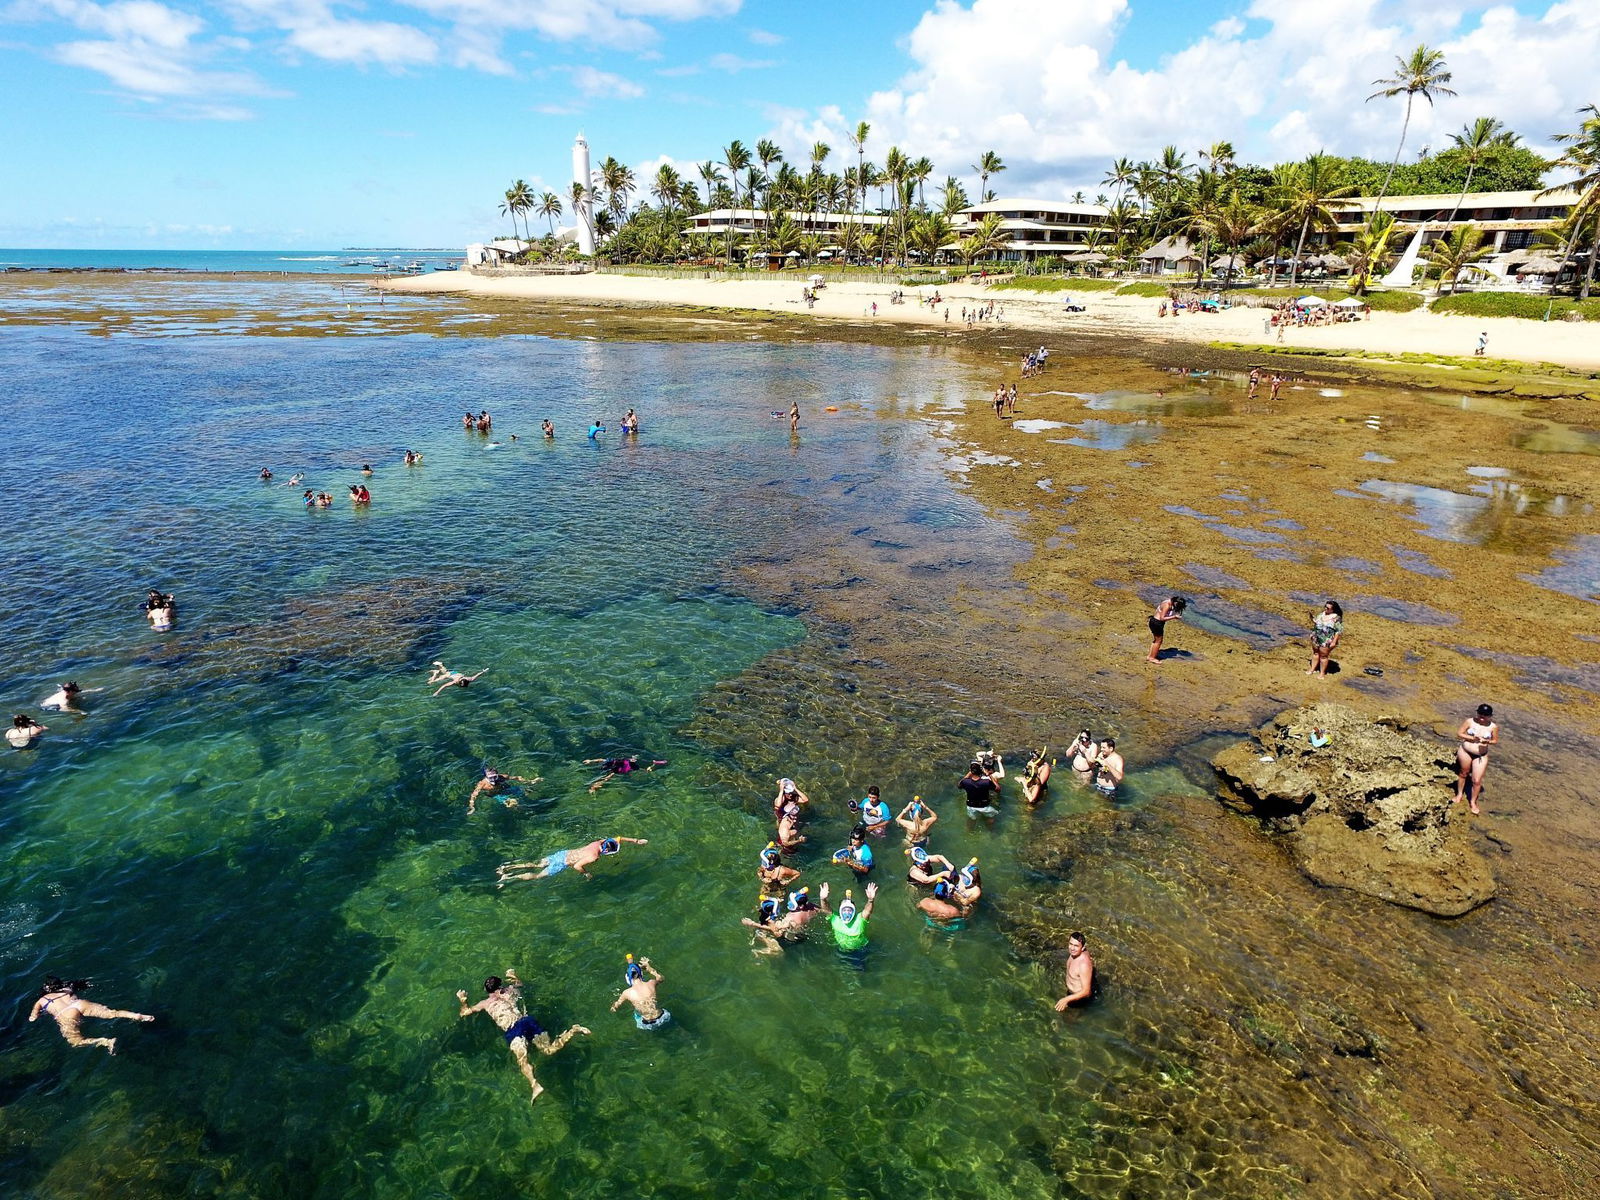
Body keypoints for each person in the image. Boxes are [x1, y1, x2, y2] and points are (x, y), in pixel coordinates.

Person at [455, 969, 588, 1103]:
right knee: (549, 1050)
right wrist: (513, 976)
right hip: (527, 1020)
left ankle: (535, 1085)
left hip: (513, 1029)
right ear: (500, 985)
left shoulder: (485, 1003)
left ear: (487, 990)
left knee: (522, 1060)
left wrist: (463, 1001)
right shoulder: (511, 990)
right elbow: (520, 984)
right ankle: (573, 1030)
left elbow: (465, 1013)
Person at [29, 976, 153, 1053]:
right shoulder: (66, 989)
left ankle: (105, 1042)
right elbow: (81, 984)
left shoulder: (41, 1000)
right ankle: (137, 1016)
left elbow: (33, 1017)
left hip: (66, 1014)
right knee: (112, 1013)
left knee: (75, 1041)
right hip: (79, 1004)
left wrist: (34, 1016)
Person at [495, 835, 649, 885]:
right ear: (608, 851)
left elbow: (618, 837)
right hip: (562, 863)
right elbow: (577, 866)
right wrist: (586, 874)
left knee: (536, 864)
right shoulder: (594, 857)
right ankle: (508, 877)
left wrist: (636, 841)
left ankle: (507, 868)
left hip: (561, 854)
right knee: (536, 876)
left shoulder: (598, 843)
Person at [741, 886, 824, 955]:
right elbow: (825, 911)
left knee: (761, 932)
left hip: (789, 940)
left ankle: (760, 952)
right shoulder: (812, 907)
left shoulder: (791, 918)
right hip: (802, 936)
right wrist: (823, 898)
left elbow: (774, 929)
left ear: (800, 906)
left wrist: (752, 923)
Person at [1454, 703, 1500, 815]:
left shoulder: (1493, 727)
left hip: (1481, 755)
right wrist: (1471, 738)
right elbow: (1459, 733)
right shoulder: (1470, 721)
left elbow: (1495, 741)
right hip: (1465, 751)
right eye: (1480, 714)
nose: (1482, 717)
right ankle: (1459, 794)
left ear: (1490, 716)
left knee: (1477, 780)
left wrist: (1487, 741)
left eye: (1485, 715)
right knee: (1463, 773)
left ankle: (1473, 802)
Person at [610, 954, 668, 1030]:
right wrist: (649, 968)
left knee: (636, 1014)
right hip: (662, 1016)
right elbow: (661, 978)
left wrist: (613, 1007)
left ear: (627, 979)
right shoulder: (651, 983)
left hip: (646, 1023)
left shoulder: (627, 993)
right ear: (641, 974)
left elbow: (616, 1006)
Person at [823, 881, 876, 950]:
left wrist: (870, 900)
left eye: (849, 910)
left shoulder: (859, 920)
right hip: (842, 950)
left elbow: (867, 911)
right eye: (844, 910)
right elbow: (826, 910)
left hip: (860, 950)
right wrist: (823, 899)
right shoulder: (835, 919)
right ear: (840, 910)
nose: (847, 913)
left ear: (854, 911)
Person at [467, 765, 541, 814]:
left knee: (526, 790)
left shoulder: (502, 777)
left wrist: (531, 781)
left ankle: (534, 802)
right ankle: (528, 812)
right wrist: (472, 807)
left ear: (497, 775)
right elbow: (473, 795)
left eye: (494, 776)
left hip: (505, 789)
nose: (493, 779)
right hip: (495, 794)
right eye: (490, 777)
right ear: (486, 777)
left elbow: (517, 777)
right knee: (512, 803)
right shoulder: (482, 784)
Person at [1054, 932, 1096, 1011]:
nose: (1072, 948)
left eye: (1076, 946)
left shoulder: (1083, 965)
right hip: (1071, 994)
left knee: (1068, 1020)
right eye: (1071, 944)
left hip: (1078, 999)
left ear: (1082, 948)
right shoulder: (1074, 954)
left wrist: (1066, 999)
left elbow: (1086, 991)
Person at [583, 753, 666, 793]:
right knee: (644, 767)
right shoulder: (618, 764)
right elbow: (602, 762)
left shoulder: (616, 766)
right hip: (629, 765)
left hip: (628, 766)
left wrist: (590, 761)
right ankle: (594, 787)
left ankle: (653, 764)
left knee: (645, 769)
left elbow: (602, 762)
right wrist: (590, 761)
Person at [1146, 596, 1187, 663]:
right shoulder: (1167, 605)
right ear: (1176, 603)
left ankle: (1150, 656)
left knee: (1156, 640)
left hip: (1155, 622)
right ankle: (1152, 658)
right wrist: (1174, 617)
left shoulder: (1169, 601)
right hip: (1157, 623)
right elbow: (1162, 618)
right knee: (1158, 641)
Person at [1307, 600, 1344, 677]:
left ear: (1332, 610)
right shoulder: (1321, 614)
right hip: (1316, 637)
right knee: (1315, 653)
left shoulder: (1336, 618)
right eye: (1325, 607)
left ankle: (1322, 673)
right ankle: (1312, 669)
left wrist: (1334, 642)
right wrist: (1312, 632)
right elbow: (1317, 624)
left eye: (1327, 608)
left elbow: (1338, 631)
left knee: (1323, 656)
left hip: (1326, 639)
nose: (1325, 609)